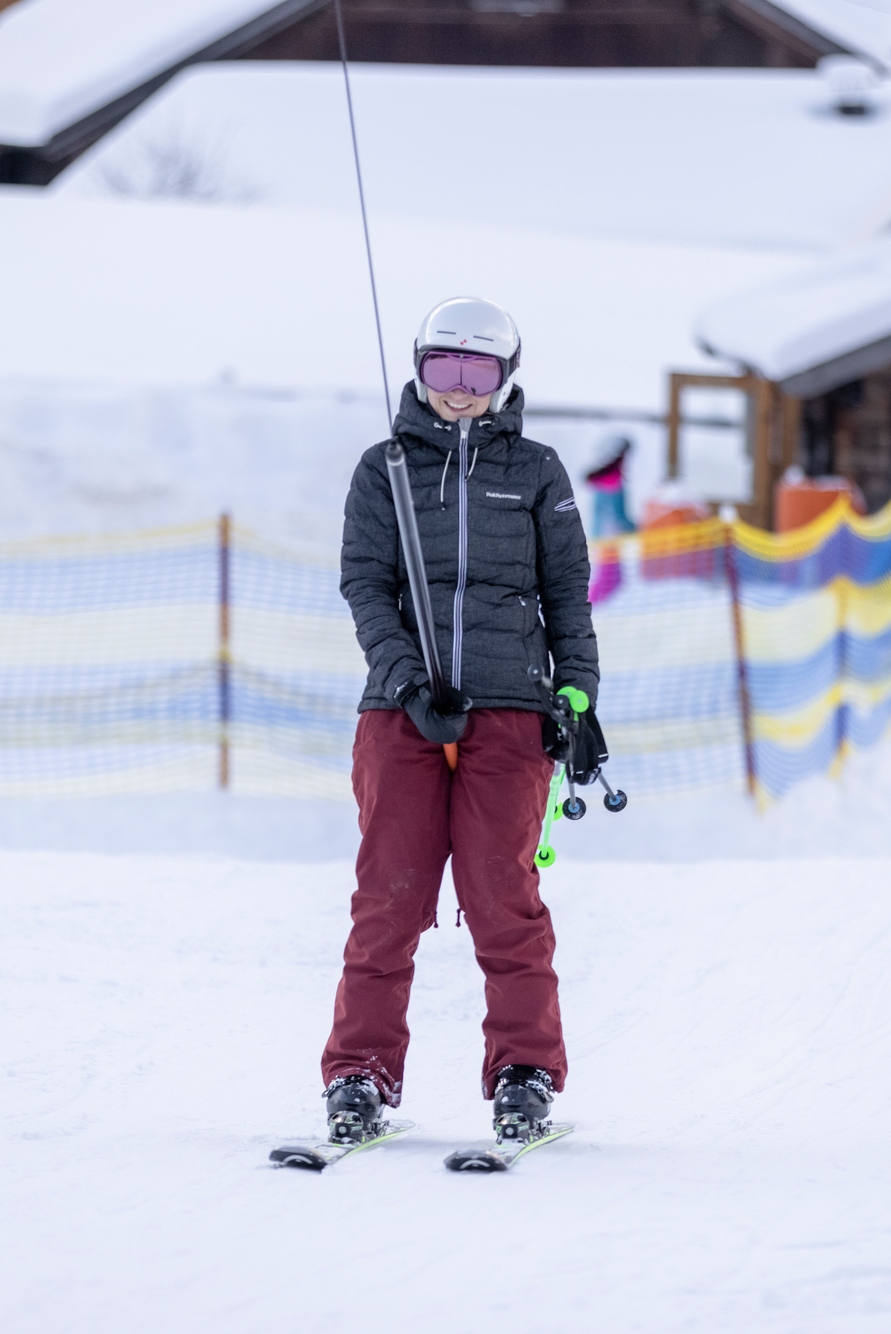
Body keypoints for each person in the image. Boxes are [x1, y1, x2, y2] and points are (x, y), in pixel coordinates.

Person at [322, 296, 601, 1143]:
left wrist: (578, 699)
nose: (459, 388)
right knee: (388, 903)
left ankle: (524, 1072)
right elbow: (366, 587)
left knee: (503, 899)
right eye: (443, 367)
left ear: (506, 377)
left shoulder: (538, 472)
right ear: (418, 367)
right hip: (402, 718)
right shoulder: (386, 470)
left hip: (511, 712)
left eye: (479, 370)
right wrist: (407, 685)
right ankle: (360, 1076)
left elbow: (567, 598)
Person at [584, 438, 635, 537]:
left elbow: (605, 469)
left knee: (614, 517)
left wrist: (592, 477)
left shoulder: (614, 457)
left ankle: (630, 533)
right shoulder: (614, 456)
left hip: (611, 487)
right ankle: (598, 539)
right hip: (609, 487)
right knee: (611, 517)